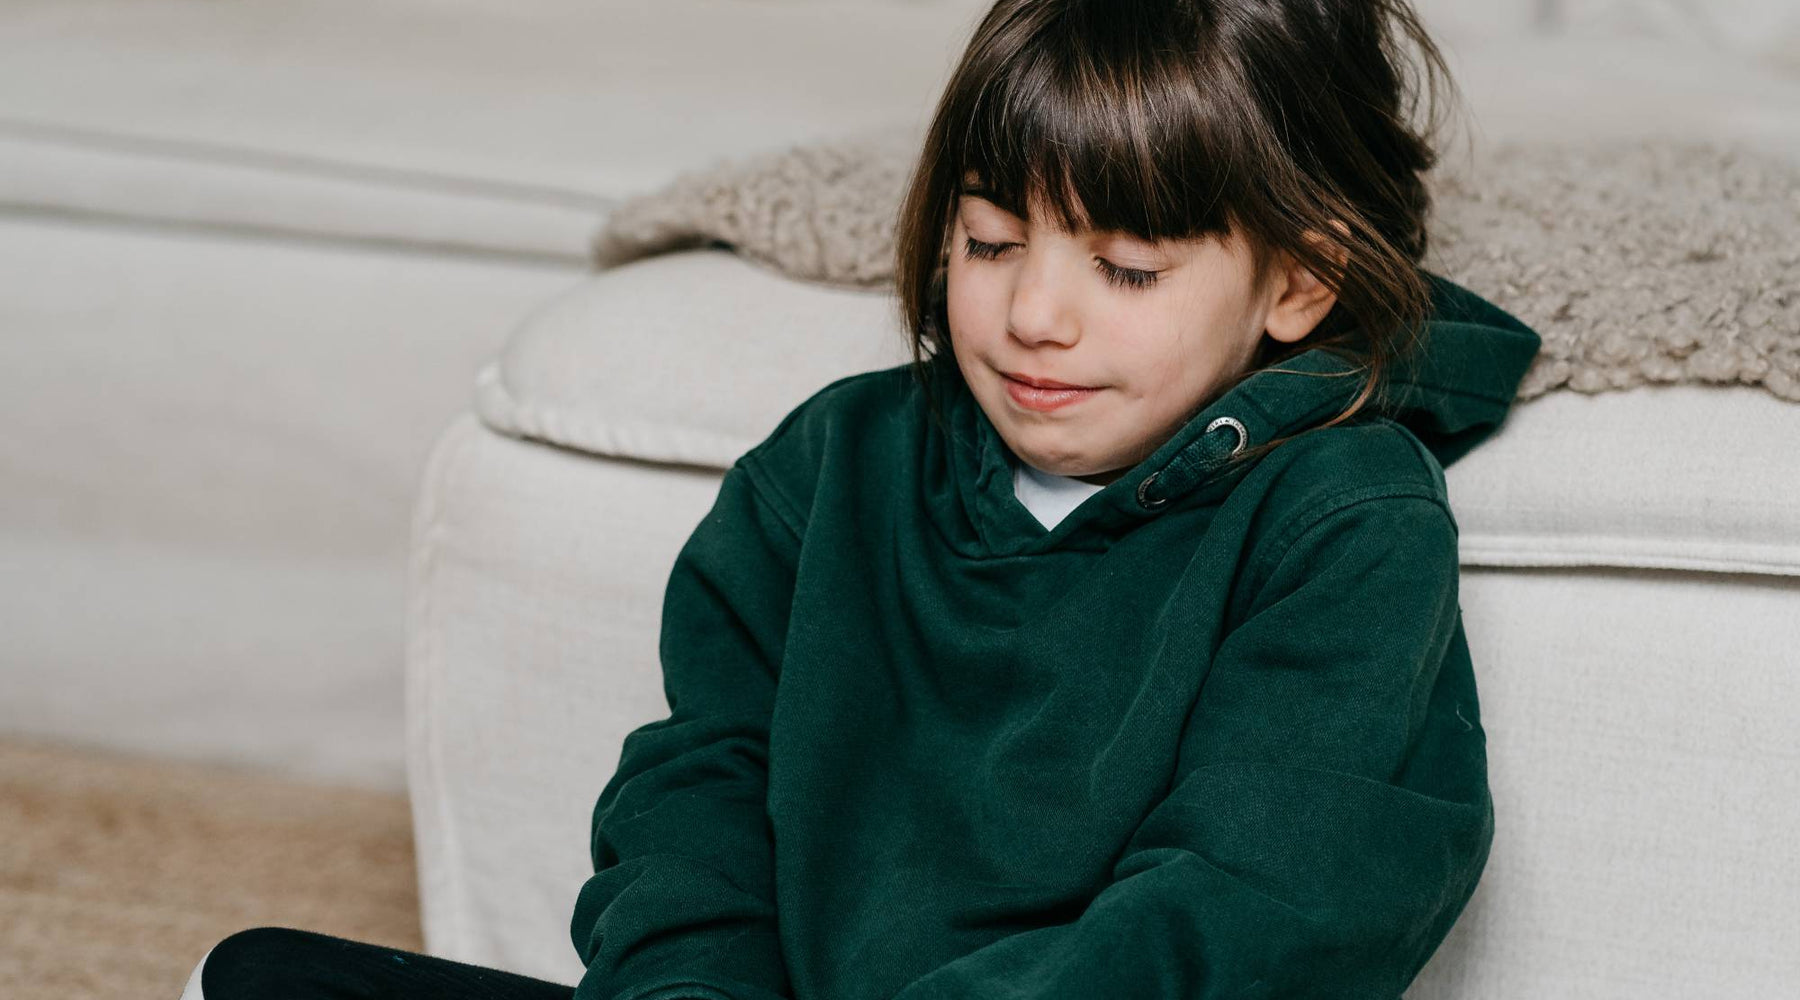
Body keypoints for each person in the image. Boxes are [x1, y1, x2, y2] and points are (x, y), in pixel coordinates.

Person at [181, 0, 1543, 997]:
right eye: (988, 241)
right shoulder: (831, 464)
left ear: (1297, 283)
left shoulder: (1348, 514)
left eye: (1126, 269)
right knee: (256, 981)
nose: (1033, 314)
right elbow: (699, 789)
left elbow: (1264, 898)